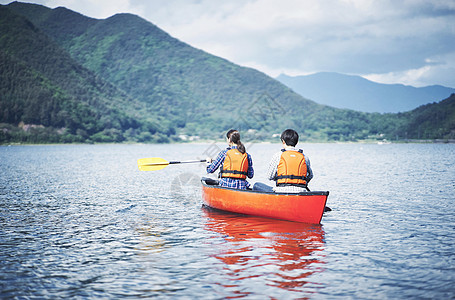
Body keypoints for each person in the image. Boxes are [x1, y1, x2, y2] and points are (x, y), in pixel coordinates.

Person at [253, 129, 313, 193]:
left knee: (256, 185)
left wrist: (280, 177)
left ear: (283, 141)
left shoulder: (278, 155)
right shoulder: (304, 157)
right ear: (296, 142)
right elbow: (310, 175)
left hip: (280, 191)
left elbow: (270, 176)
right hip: (301, 191)